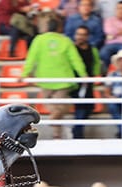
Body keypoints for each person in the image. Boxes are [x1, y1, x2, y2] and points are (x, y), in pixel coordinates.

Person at [22, 12, 88, 140]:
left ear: (47, 27)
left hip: (44, 78)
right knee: (59, 108)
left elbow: (31, 58)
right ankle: (57, 132)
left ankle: (56, 132)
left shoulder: (39, 40)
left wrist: (25, 73)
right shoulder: (65, 40)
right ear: (59, 28)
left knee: (53, 107)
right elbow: (75, 59)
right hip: (63, 78)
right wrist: (83, 74)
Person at [71, 25, 102, 140]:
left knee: (88, 108)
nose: (80, 37)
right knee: (81, 108)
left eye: (83, 35)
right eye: (78, 34)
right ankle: (77, 134)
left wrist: (96, 75)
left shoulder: (92, 49)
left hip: (88, 83)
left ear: (87, 36)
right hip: (75, 84)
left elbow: (96, 63)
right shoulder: (71, 49)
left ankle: (77, 130)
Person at [99, 1, 122, 69]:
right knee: (103, 53)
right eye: (119, 8)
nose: (121, 10)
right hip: (111, 44)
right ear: (116, 10)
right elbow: (108, 31)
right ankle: (107, 71)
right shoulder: (109, 20)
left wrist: (115, 32)